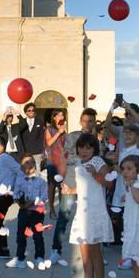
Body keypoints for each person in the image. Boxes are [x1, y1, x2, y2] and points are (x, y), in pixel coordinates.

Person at [68, 132, 114, 278]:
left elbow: (109, 183)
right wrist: (70, 191)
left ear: (94, 149)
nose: (84, 151)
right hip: (82, 211)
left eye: (88, 148)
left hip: (95, 211)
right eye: (81, 147)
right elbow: (82, 188)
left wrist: (96, 174)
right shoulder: (79, 163)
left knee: (95, 252)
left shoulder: (98, 162)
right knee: (84, 252)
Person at [49, 108, 97, 263]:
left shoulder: (97, 139)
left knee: (92, 218)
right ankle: (56, 250)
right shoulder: (73, 136)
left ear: (94, 122)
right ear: (80, 121)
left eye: (90, 121)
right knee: (64, 216)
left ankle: (95, 252)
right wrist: (62, 178)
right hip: (71, 181)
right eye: (85, 120)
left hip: (90, 184)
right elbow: (66, 157)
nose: (87, 123)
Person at [8, 155, 48, 270]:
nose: (29, 164)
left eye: (31, 162)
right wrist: (20, 202)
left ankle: (39, 257)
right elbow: (16, 194)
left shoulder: (41, 181)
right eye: (25, 163)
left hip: (36, 212)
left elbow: (44, 196)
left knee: (37, 235)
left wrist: (34, 202)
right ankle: (21, 258)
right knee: (21, 235)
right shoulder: (20, 181)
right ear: (21, 168)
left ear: (35, 165)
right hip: (23, 211)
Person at [112, 122, 139, 259]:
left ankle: (132, 253)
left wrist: (121, 169)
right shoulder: (123, 151)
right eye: (125, 133)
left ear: (137, 136)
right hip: (120, 190)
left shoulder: (138, 152)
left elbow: (137, 174)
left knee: (131, 223)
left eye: (131, 133)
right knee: (122, 222)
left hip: (131, 192)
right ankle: (127, 251)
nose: (127, 136)